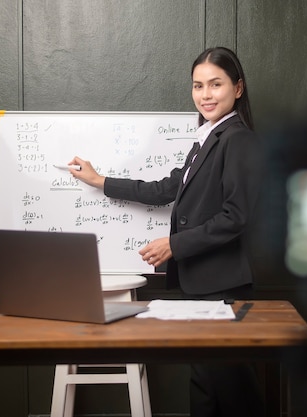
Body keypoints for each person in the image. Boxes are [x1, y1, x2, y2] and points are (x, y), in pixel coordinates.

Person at [67, 46, 264, 417]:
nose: (205, 94)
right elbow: (163, 189)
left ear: (238, 88)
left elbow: (237, 217)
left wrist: (175, 245)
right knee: (206, 385)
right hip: (201, 284)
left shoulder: (238, 140)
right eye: (198, 86)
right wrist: (100, 180)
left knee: (235, 391)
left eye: (215, 84)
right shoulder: (206, 139)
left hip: (222, 285)